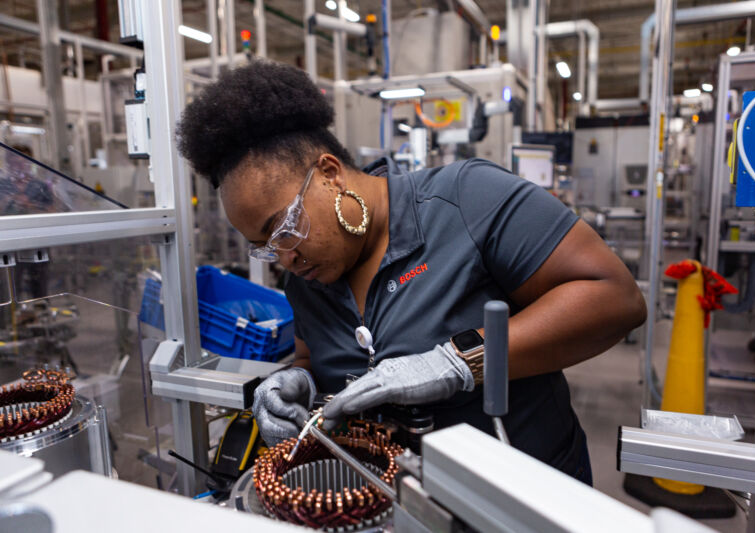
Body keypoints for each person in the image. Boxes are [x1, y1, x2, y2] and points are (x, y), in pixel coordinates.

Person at [177, 61, 646, 485]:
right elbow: (314, 358)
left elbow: (614, 299)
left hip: (525, 490)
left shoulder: (466, 201)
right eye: (265, 247)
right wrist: (296, 383)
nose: (285, 259)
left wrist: (460, 362)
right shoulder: (307, 281)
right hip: (397, 500)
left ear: (329, 173)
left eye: (283, 227)